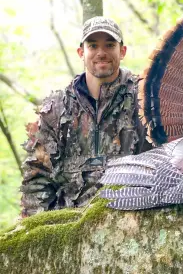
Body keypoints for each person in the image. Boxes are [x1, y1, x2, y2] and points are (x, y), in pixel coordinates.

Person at [20, 16, 152, 217]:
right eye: (93, 45)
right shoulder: (55, 110)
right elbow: (36, 180)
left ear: (122, 51)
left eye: (109, 45)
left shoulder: (146, 99)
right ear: (81, 52)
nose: (101, 52)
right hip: (69, 231)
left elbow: (166, 162)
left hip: (133, 223)